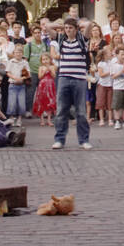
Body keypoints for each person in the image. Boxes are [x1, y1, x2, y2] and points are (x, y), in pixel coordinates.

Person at [52, 18, 92, 150]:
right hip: (63, 77)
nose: (68, 30)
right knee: (61, 110)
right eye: (66, 28)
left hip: (79, 79)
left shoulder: (82, 40)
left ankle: (83, 140)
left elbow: (89, 25)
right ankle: (59, 139)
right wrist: (56, 24)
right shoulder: (61, 39)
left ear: (75, 29)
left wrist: (79, 23)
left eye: (70, 28)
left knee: (81, 111)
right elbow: (47, 28)